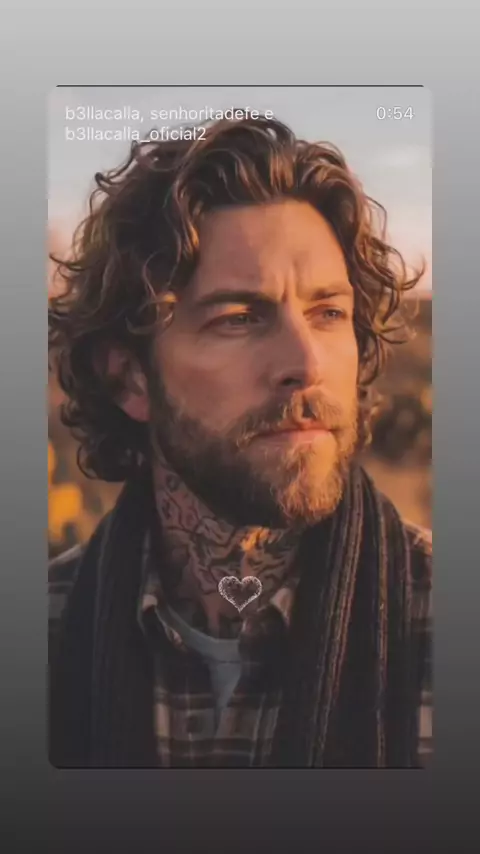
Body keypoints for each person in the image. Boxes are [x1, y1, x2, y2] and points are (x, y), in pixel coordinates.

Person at [48, 115, 432, 768]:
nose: (306, 364)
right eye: (240, 318)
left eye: (329, 313)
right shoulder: (49, 630)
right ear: (130, 377)